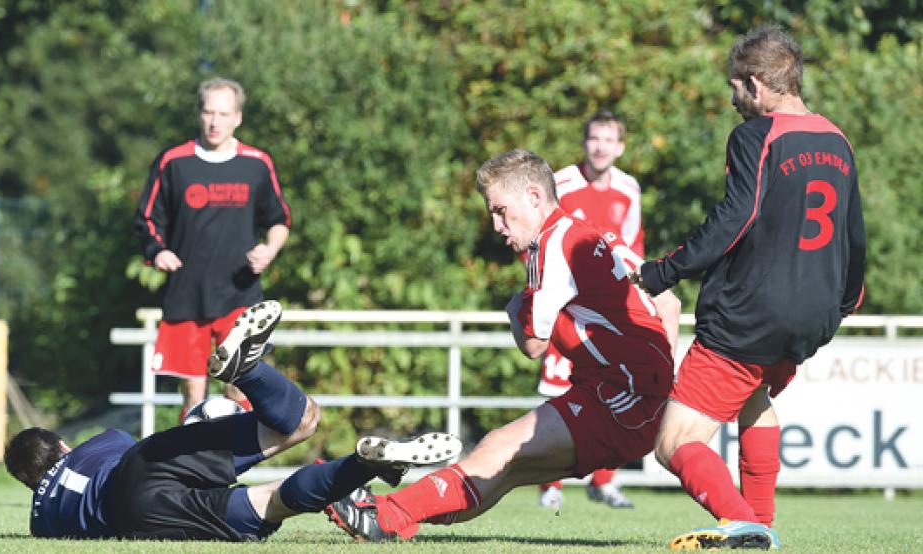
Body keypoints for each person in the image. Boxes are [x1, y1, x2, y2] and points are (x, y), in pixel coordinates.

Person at [325, 149, 675, 542]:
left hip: (620, 398)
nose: (496, 225)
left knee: (498, 448)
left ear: (534, 196)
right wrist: (661, 380)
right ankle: (395, 518)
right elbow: (670, 302)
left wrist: (514, 310)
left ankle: (383, 515)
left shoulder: (551, 245)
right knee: (503, 471)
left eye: (500, 210)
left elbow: (534, 345)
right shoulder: (587, 232)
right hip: (631, 396)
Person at [630, 27, 865, 550]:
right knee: (753, 396)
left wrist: (662, 272)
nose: (732, 99)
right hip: (814, 315)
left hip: (750, 314)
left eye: (733, 87)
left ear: (756, 86)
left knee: (673, 443)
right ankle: (762, 521)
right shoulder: (836, 138)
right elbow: (854, 235)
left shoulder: (755, 136)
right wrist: (843, 302)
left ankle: (743, 522)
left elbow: (732, 221)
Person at [4, 300, 461, 540]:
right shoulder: (99, 443)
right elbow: (148, 449)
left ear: (30, 482)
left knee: (271, 503)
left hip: (135, 516)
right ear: (62, 446)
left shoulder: (40, 520)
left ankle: (367, 464)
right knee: (302, 421)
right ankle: (250, 372)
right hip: (139, 463)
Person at [538, 110, 682, 510]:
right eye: (593, 138)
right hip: (568, 304)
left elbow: (633, 246)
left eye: (608, 140)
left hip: (613, 308)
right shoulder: (561, 183)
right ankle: (550, 487)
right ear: (584, 142)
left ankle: (604, 482)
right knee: (559, 389)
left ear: (620, 147)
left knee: (621, 385)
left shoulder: (629, 188)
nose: (600, 147)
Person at [133, 77, 291, 419]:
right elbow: (146, 219)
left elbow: (279, 219)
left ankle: (235, 460)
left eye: (223, 113)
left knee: (239, 383)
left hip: (240, 294)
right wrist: (158, 251)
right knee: (193, 390)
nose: (215, 121)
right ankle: (191, 465)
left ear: (238, 117)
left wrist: (270, 249)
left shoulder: (257, 163)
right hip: (187, 294)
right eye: (208, 112)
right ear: (199, 114)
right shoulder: (174, 161)